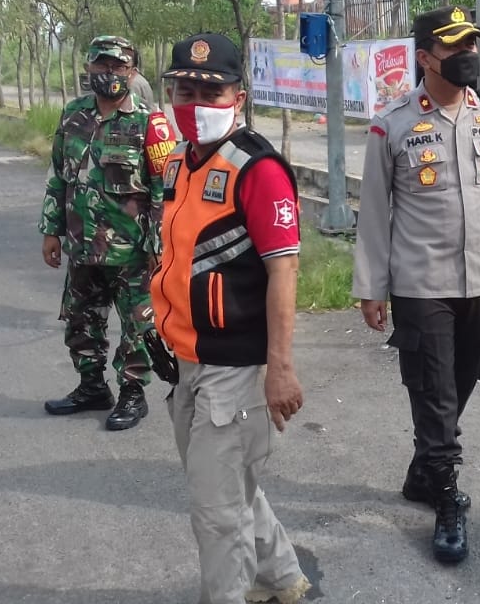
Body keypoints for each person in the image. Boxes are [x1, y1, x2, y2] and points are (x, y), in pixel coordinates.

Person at [351, 6, 480, 563]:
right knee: (435, 390)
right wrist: (371, 285)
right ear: (425, 57)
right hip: (420, 283)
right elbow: (375, 212)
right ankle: (446, 499)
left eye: (472, 44)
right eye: (455, 46)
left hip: (479, 278)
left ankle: (424, 470)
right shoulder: (392, 123)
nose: (468, 54)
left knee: (463, 378)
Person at [150, 33, 311, 604]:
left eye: (210, 91)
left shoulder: (258, 170)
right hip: (186, 360)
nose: (195, 103)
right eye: (183, 90)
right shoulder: (178, 162)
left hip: (234, 367)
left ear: (237, 98)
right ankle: (282, 577)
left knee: (216, 511)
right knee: (229, 484)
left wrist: (280, 369)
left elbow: (283, 270)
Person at [39, 34, 176, 431]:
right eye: (102, 64)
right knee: (80, 321)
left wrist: (158, 243)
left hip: (131, 250)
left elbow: (164, 189)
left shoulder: (151, 122)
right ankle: (92, 387)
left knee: (137, 327)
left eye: (119, 66)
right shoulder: (73, 115)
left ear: (132, 72)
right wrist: (51, 230)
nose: (110, 73)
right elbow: (59, 176)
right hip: (82, 245)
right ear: (89, 67)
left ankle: (133, 394)